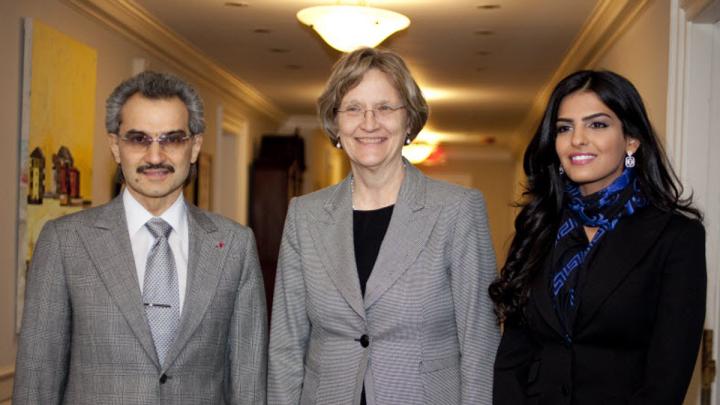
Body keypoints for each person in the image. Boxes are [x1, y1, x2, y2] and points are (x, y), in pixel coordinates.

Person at [13, 71, 267, 404]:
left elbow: (249, 383)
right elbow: (36, 382)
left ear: (194, 147)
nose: (156, 157)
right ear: (116, 146)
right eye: (138, 139)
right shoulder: (65, 242)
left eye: (172, 139)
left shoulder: (235, 246)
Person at [267, 47, 500, 405]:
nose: (369, 122)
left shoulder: (457, 210)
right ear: (336, 123)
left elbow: (479, 343)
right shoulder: (304, 215)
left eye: (385, 107)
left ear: (408, 121)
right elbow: (286, 344)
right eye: (354, 108)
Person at [490, 70, 706, 404]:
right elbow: (513, 355)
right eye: (565, 128)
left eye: (597, 124)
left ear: (631, 139)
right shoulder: (538, 227)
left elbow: (668, 376)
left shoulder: (676, 237)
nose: (577, 139)